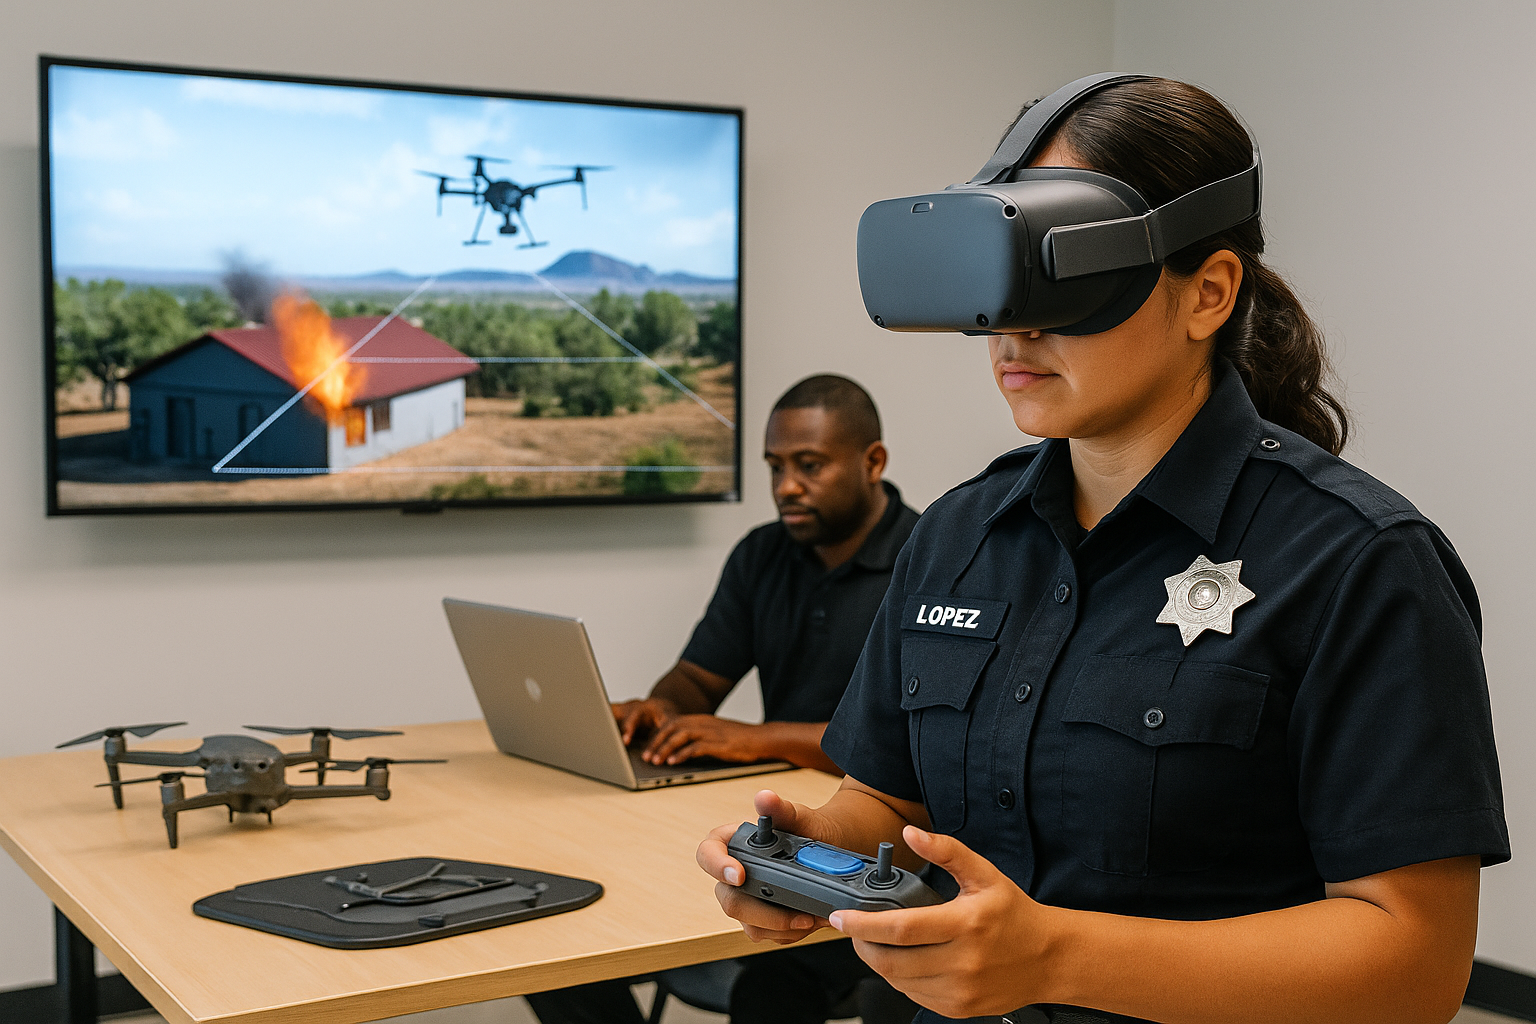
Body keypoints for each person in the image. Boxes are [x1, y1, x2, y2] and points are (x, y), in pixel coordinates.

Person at [697, 77, 1509, 1024]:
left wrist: (1056, 959)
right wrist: (803, 851)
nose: (1014, 327)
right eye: (1002, 280)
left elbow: (1414, 963)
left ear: (1208, 293)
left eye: (1068, 279)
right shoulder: (959, 536)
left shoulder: (1360, 565)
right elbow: (888, 801)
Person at [528, 373, 921, 1024]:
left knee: (772, 988)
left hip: (857, 857)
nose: (786, 487)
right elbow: (696, 680)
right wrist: (662, 707)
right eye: (775, 467)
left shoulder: (929, 562)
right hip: (761, 830)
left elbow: (912, 752)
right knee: (549, 930)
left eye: (809, 465)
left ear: (872, 462)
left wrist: (755, 738)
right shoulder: (763, 554)